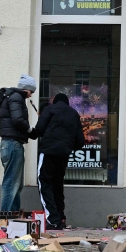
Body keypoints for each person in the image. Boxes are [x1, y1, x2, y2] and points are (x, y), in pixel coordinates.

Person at [30, 93, 85, 230]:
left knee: (44, 182)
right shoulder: (74, 114)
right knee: (57, 184)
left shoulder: (49, 109)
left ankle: (53, 220)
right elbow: (80, 141)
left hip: (48, 151)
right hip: (63, 154)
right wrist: (67, 145)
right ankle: (61, 217)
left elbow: (40, 130)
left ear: (55, 101)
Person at [0, 74, 36, 212]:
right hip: (13, 144)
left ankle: (12, 217)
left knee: (15, 184)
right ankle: (6, 219)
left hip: (10, 144)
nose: (31, 95)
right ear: (26, 89)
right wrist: (30, 130)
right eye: (31, 91)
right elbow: (18, 120)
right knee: (12, 184)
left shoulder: (12, 97)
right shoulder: (17, 98)